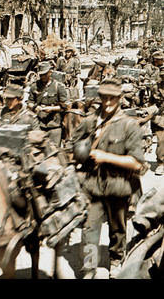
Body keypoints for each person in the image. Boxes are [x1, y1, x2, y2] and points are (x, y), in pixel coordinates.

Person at [71, 78, 146, 279]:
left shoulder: (129, 125)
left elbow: (137, 163)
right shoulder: (89, 121)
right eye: (104, 97)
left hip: (118, 185)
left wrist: (106, 157)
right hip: (91, 185)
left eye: (112, 98)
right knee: (89, 229)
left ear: (120, 98)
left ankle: (115, 259)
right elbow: (73, 145)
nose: (107, 102)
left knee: (118, 229)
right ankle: (89, 268)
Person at [27, 61, 68, 146]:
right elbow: (30, 102)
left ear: (50, 72)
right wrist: (35, 107)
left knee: (53, 150)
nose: (42, 77)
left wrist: (52, 109)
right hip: (38, 125)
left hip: (54, 125)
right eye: (41, 74)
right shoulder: (35, 86)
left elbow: (65, 106)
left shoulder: (58, 87)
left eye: (44, 74)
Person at [150, 65, 164, 175]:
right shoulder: (155, 87)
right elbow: (151, 103)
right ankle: (160, 164)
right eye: (162, 76)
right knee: (161, 141)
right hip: (161, 118)